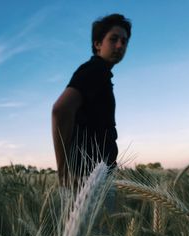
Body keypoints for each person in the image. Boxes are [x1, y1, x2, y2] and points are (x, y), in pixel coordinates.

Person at [52, 14, 132, 186]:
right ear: (97, 44)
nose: (120, 45)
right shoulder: (94, 70)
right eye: (113, 39)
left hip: (96, 176)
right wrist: (64, 172)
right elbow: (61, 110)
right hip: (88, 179)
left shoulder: (101, 75)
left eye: (124, 41)